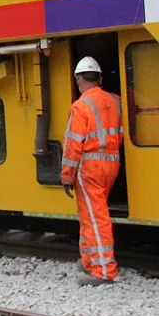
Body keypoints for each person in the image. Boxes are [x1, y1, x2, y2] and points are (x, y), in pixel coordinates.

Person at [60, 56, 123, 285]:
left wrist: (67, 175)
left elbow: (73, 145)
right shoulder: (115, 101)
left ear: (78, 79)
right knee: (90, 215)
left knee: (96, 218)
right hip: (111, 163)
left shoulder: (81, 106)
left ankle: (104, 270)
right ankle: (89, 260)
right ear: (100, 78)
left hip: (90, 168)